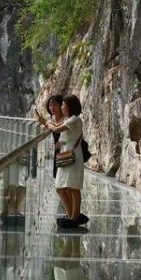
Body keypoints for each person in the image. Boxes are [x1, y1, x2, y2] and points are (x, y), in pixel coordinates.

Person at [46, 95, 88, 228]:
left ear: (70, 106)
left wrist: (44, 121)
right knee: (61, 187)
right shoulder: (69, 120)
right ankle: (71, 215)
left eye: (63, 104)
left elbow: (55, 129)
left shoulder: (75, 120)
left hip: (73, 156)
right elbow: (61, 136)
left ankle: (74, 217)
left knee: (73, 188)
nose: (62, 107)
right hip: (66, 155)